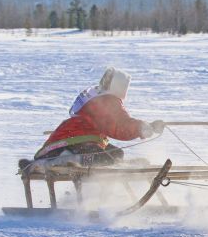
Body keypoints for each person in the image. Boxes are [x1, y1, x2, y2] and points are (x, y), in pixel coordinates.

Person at [30, 67, 164, 168]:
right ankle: (66, 160)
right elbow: (119, 126)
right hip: (72, 142)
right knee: (105, 159)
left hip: (75, 139)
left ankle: (115, 168)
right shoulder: (107, 101)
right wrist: (145, 128)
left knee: (117, 154)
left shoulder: (97, 95)